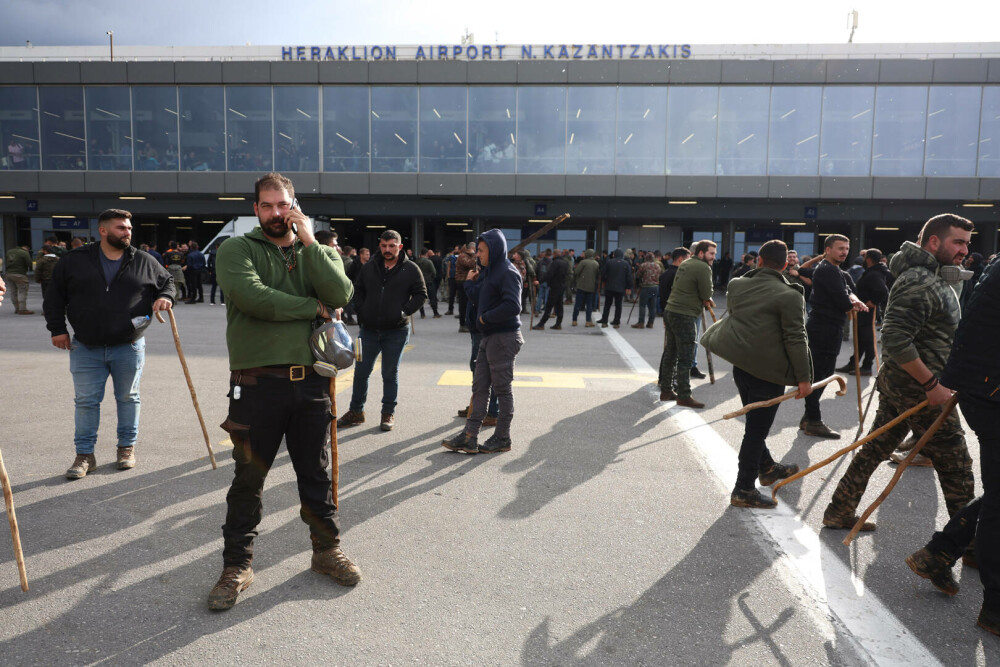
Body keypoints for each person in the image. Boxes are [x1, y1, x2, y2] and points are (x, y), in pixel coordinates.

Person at [210, 173, 358, 611]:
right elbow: (254, 298)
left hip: (312, 383)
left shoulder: (315, 250)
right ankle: (237, 564)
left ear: (296, 206)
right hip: (256, 385)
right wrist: (313, 306)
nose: (277, 213)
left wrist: (311, 241)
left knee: (316, 474)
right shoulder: (237, 249)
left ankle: (326, 551)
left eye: (284, 205)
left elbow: (341, 291)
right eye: (268, 205)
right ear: (256, 209)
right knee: (249, 479)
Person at [822, 214, 976, 532]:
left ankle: (839, 510)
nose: (964, 250)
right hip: (920, 386)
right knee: (956, 464)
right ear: (934, 242)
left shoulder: (937, 277)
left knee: (877, 445)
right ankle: (969, 544)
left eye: (967, 243)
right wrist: (931, 383)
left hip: (905, 381)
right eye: (958, 242)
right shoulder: (920, 280)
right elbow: (894, 337)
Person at [904, 255, 1000, 635]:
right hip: (990, 389)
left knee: (998, 493)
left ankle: (941, 551)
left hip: (981, 383)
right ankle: (995, 605)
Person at [43, 209, 175, 479]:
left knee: (128, 398)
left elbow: (168, 282)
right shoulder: (74, 260)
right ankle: (84, 456)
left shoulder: (144, 260)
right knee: (86, 402)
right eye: (120, 228)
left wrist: (165, 297)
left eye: (128, 228)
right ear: (102, 231)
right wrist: (58, 329)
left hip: (129, 344)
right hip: (85, 345)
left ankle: (126, 448)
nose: (127, 232)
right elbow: (54, 296)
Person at [702, 240, 812, 508]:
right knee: (755, 432)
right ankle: (743, 489)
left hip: (742, 368)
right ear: (786, 265)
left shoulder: (737, 285)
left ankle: (767, 468)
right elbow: (796, 338)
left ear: (758, 261)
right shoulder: (790, 295)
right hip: (768, 373)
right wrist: (805, 378)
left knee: (755, 423)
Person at [442, 229, 524, 454]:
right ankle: (469, 435)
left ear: (494, 249)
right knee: (479, 387)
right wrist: (470, 283)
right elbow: (477, 297)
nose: (477, 254)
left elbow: (513, 306)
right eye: (477, 250)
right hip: (488, 337)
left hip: (503, 338)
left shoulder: (507, 272)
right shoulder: (488, 272)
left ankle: (502, 437)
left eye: (481, 250)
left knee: (502, 389)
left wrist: (484, 318)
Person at [337, 230, 427, 431]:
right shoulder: (369, 267)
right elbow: (357, 289)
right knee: (361, 372)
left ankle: (388, 413)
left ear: (400, 247)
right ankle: (356, 412)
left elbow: (421, 295)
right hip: (368, 330)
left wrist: (404, 312)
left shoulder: (411, 269)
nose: (387, 250)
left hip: (396, 331)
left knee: (389, 373)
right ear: (380, 246)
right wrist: (361, 309)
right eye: (384, 246)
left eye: (392, 246)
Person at [799, 235, 868, 438]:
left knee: (823, 373)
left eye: (846, 248)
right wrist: (852, 303)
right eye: (840, 248)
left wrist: (855, 299)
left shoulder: (838, 271)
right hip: (823, 327)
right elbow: (842, 300)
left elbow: (850, 290)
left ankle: (808, 417)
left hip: (831, 326)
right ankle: (813, 420)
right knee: (820, 374)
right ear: (827, 250)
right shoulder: (826, 269)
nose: (844, 252)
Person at [661, 240, 716, 409]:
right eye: (711, 253)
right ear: (701, 253)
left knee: (671, 352)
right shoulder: (703, 267)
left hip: (671, 310)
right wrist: (707, 298)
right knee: (685, 356)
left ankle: (666, 390)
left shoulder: (686, 263)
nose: (714, 257)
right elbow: (706, 293)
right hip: (685, 314)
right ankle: (684, 395)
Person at [837, 248, 890, 376]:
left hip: (867, 312)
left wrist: (873, 301)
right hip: (862, 310)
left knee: (867, 339)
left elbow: (883, 292)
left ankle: (867, 366)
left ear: (869, 259)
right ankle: (852, 364)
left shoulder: (874, 274)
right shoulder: (872, 271)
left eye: (865, 257)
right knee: (860, 339)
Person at [656, 247, 691, 399]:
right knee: (674, 351)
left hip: (668, 313)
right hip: (676, 315)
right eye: (688, 258)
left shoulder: (666, 274)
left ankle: (663, 378)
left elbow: (662, 297)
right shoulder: (678, 275)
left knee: (669, 350)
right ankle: (669, 380)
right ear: (681, 259)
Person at [532, 249, 569, 331]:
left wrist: (540, 281)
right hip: (562, 286)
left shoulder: (555, 263)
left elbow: (549, 274)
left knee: (549, 305)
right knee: (559, 305)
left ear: (554, 254)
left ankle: (541, 324)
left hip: (554, 286)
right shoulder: (565, 263)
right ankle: (558, 323)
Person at [598, 249, 631, 328]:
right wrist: (628, 287)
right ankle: (616, 322)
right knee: (618, 305)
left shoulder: (609, 262)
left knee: (607, 304)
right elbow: (629, 277)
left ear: (615, 254)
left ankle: (604, 321)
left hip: (609, 287)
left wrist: (604, 281)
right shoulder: (626, 263)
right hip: (620, 288)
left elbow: (603, 273)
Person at [631, 252, 662, 329]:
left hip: (646, 287)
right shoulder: (657, 266)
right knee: (652, 306)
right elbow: (660, 275)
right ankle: (651, 323)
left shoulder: (644, 265)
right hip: (655, 287)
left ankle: (641, 323)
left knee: (642, 305)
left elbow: (638, 275)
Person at [571, 249, 600, 327]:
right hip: (591, 287)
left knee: (578, 304)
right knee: (589, 305)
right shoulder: (596, 263)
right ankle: (588, 321)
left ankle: (574, 320)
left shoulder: (583, 262)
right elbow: (597, 275)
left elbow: (576, 272)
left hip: (581, 286)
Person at [4, 243, 34, 314]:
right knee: (22, 291)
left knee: (13, 292)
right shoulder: (24, 253)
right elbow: (29, 263)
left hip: (8, 274)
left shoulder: (9, 251)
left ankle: (17, 308)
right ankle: (22, 309)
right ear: (27, 249)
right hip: (19, 275)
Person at [455, 242, 478, 333]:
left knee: (469, 303)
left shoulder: (467, 255)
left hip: (468, 281)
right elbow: (471, 264)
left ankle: (468, 323)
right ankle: (462, 324)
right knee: (463, 303)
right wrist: (474, 255)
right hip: (462, 281)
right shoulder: (462, 256)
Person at [415, 248, 439, 318]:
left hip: (419, 282)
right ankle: (435, 313)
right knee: (432, 297)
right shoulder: (429, 262)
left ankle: (422, 314)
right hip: (428, 281)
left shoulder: (416, 262)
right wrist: (431, 278)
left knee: (420, 298)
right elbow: (434, 272)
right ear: (426, 254)